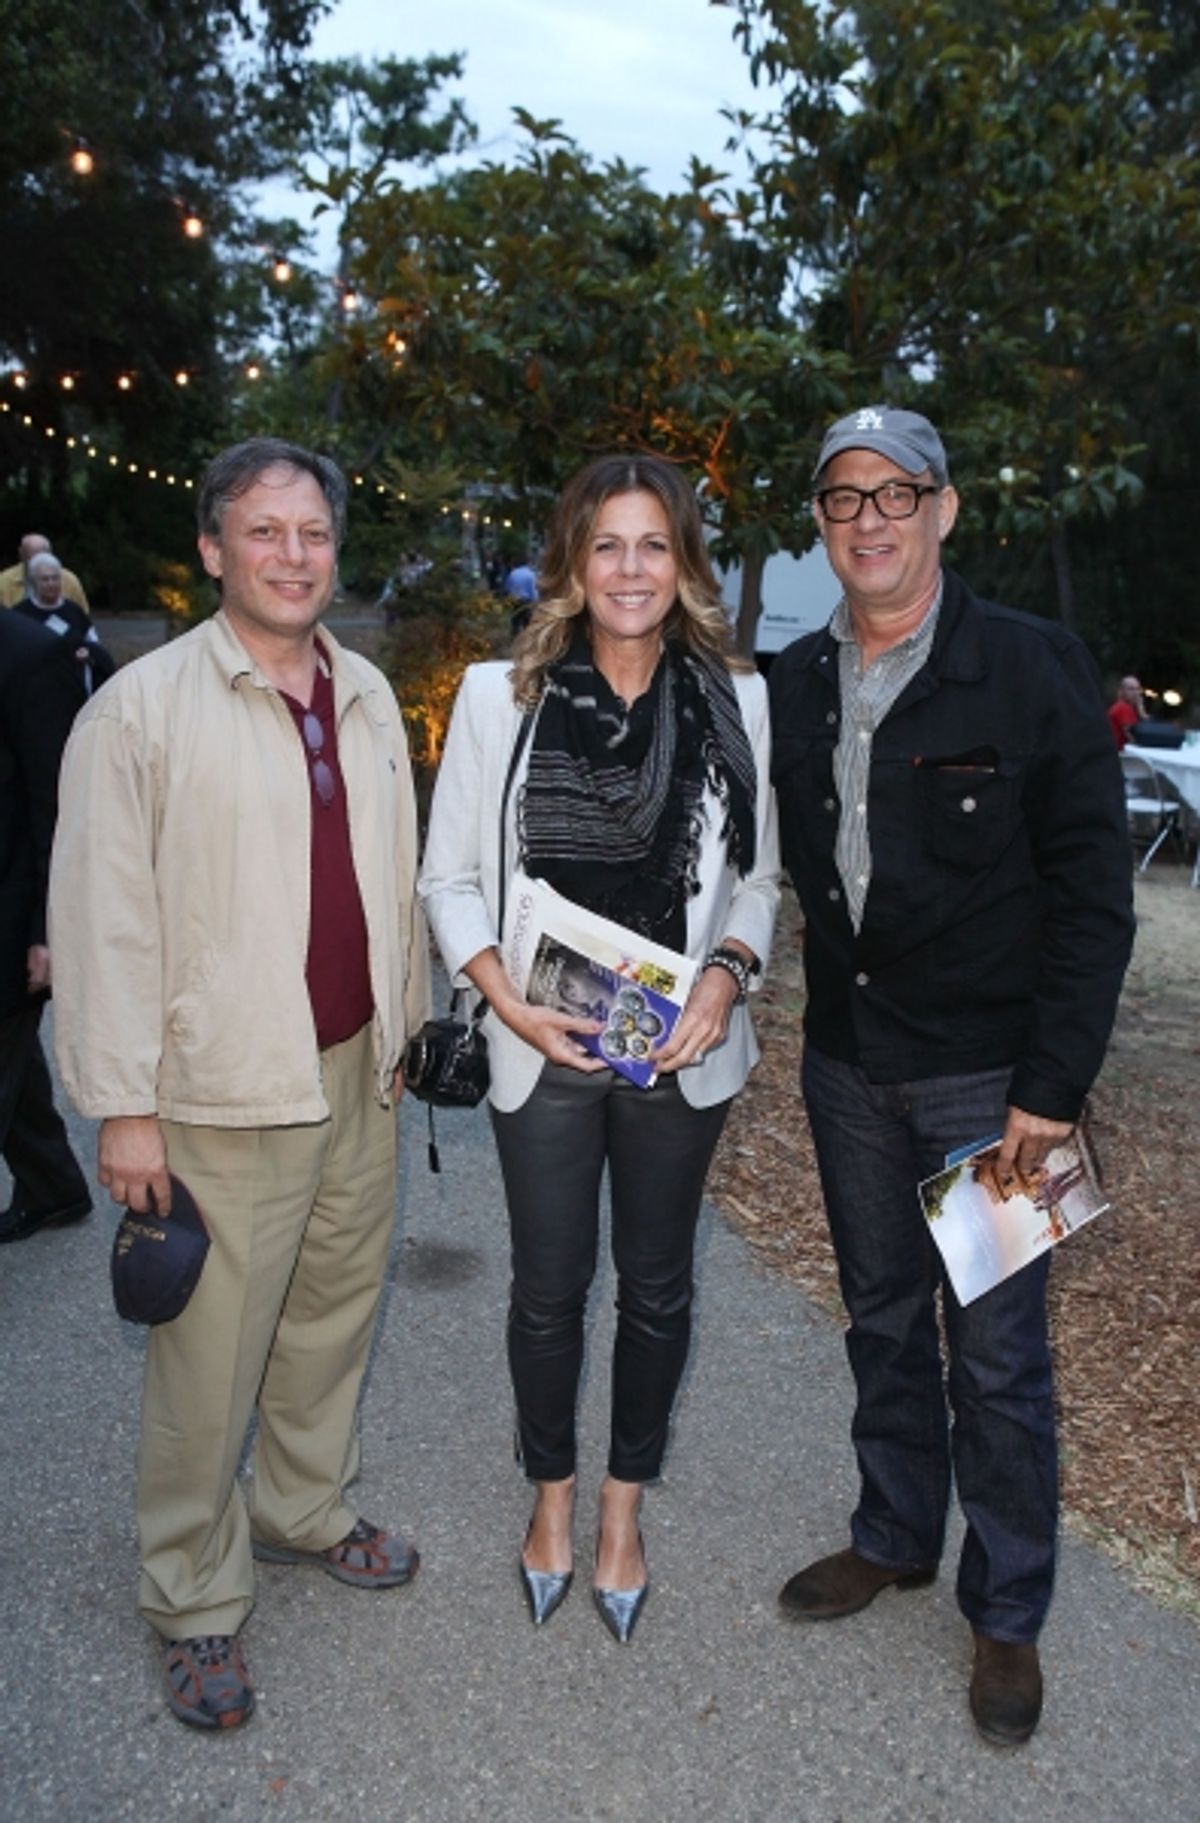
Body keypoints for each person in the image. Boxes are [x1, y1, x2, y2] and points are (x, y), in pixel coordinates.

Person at [48, 436, 431, 1732]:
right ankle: (192, 1594)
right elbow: (99, 918)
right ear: (213, 547)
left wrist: (411, 1026)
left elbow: (390, 877)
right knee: (207, 1361)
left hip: (353, 1070)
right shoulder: (140, 711)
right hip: (216, 1088)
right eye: (263, 532)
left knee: (329, 1319)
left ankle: (301, 1505)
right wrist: (124, 1103)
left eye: (312, 532)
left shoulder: (369, 694)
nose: (292, 555)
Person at [768, 405, 1133, 1747]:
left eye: (896, 493)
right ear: (822, 523)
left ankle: (1010, 1608)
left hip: (995, 1087)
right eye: (843, 497)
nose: (869, 518)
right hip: (850, 1072)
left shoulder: (1032, 668)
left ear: (945, 509)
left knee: (999, 1357)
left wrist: (1055, 1083)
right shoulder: (797, 681)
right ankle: (894, 1533)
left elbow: (1096, 900)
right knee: (877, 1317)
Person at [419, 453, 779, 1643]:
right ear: (572, 563)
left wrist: (726, 979)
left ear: (684, 563)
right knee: (547, 1291)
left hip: (678, 1050)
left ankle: (624, 1506)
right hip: (545, 1043)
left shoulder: (741, 696)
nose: (631, 569)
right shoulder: (497, 698)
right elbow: (451, 878)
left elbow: (759, 880)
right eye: (607, 545)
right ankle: (552, 1498)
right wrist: (502, 1002)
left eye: (654, 545)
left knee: (661, 1288)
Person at [0, 612, 91, 1245]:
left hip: (11, 916)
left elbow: (60, 807)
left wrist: (50, 928)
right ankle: (53, 1186)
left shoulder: (31, 655)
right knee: (14, 1067)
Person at [12, 551, 114, 697]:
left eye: (55, 578)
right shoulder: (21, 614)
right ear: (34, 582)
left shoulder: (74, 612)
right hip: (34, 690)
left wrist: (88, 654)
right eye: (45, 579)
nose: (51, 584)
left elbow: (95, 645)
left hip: (72, 689)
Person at [0, 533, 90, 612]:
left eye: (42, 558)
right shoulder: (4, 581)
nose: (37, 564)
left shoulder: (69, 580)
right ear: (21, 555)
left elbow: (82, 615)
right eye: (32, 559)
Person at [1107, 674, 1145, 749]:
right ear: (1122, 691)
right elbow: (1132, 736)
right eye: (1131, 689)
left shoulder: (1125, 707)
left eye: (1138, 689)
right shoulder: (1123, 708)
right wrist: (1141, 710)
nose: (1136, 693)